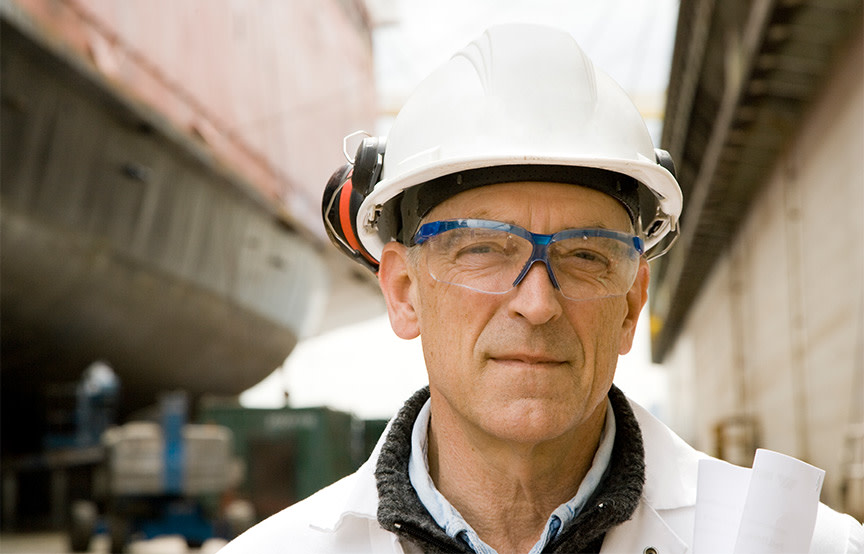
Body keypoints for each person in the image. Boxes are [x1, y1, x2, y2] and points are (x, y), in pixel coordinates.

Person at [221, 23, 863, 553]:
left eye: (585, 255)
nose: (536, 302)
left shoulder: (799, 546)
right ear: (404, 293)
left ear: (632, 302)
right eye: (482, 249)